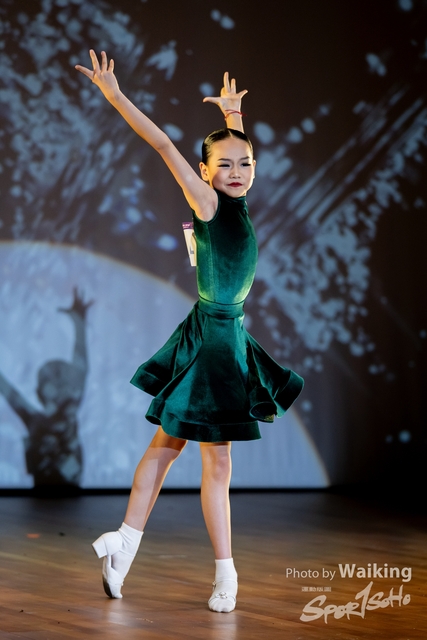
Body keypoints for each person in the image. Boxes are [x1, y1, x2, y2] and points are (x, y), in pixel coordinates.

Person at [75, 50, 303, 613]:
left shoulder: (237, 200)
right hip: (214, 344)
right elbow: (162, 144)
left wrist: (233, 117)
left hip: (223, 333)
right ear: (205, 173)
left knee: (169, 444)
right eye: (224, 165)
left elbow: (236, 151)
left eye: (245, 164)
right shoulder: (207, 201)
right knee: (212, 460)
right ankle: (225, 575)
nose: (236, 172)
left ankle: (124, 542)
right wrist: (116, 97)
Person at [0, 288, 91, 492]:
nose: (59, 388)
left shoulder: (63, 413)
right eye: (52, 382)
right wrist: (79, 324)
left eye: (63, 382)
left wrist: (79, 324)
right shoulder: (40, 420)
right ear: (40, 392)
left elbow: (81, 369)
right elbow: (8, 392)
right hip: (42, 493)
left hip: (69, 494)